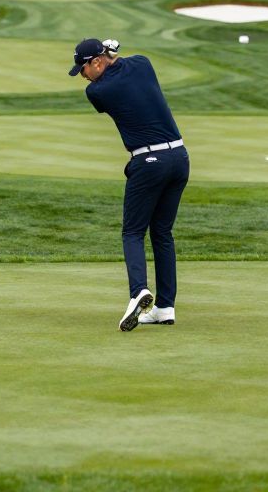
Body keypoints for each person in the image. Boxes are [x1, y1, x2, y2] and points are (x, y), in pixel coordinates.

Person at [68, 38, 188, 330]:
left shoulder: (97, 91)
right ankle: (165, 307)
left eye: (83, 68)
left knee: (132, 231)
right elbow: (127, 63)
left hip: (148, 162)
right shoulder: (143, 64)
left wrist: (109, 58)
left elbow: (113, 74)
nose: (82, 75)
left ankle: (138, 292)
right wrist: (113, 55)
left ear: (96, 63)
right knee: (162, 232)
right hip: (180, 158)